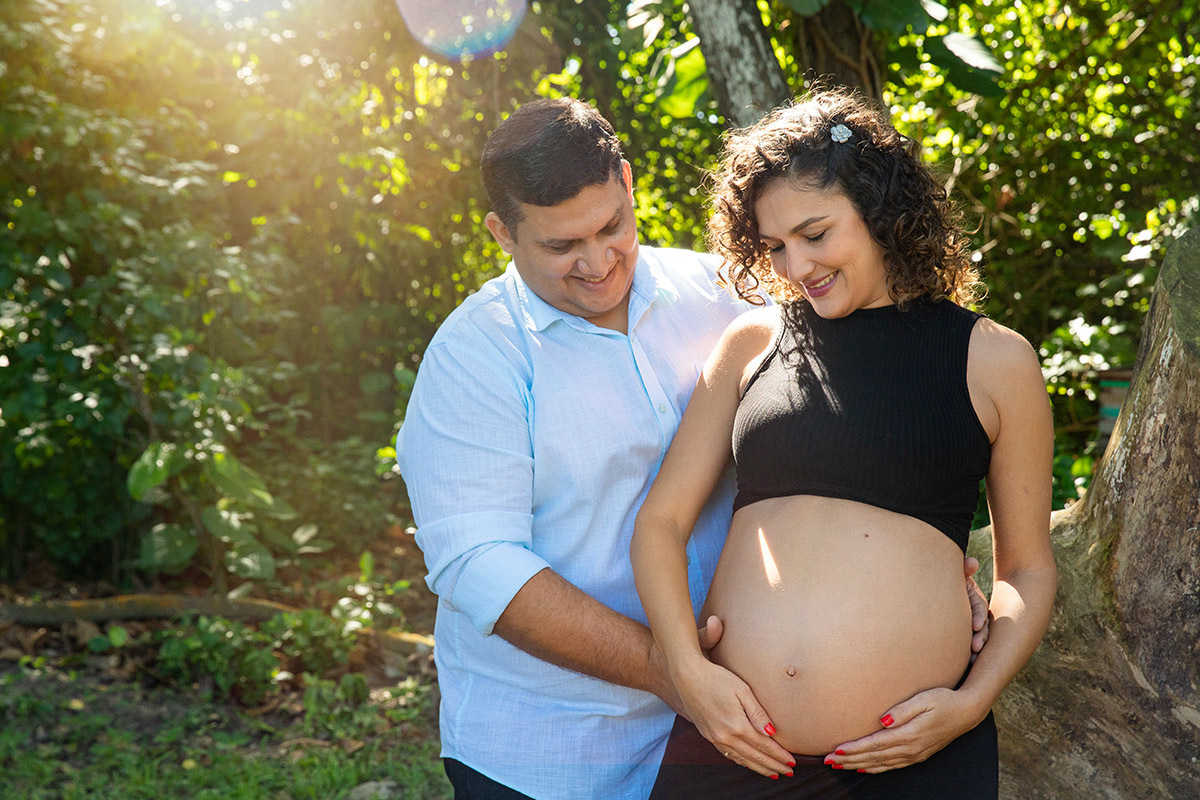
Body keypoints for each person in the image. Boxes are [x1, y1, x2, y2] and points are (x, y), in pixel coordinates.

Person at [397, 96, 991, 800]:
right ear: (503, 232)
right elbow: (480, 567)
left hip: (729, 735)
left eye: (611, 227)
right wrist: (673, 670)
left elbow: (843, 425)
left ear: (626, 180)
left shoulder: (723, 295)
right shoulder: (475, 357)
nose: (595, 262)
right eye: (561, 246)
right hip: (550, 747)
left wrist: (930, 577)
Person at [631, 86, 1057, 799]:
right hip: (734, 752)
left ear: (881, 212)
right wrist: (688, 672)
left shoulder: (995, 360)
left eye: (816, 233)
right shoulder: (752, 344)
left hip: (913, 760)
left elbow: (1028, 571)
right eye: (775, 246)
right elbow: (660, 523)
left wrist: (971, 702)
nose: (796, 267)